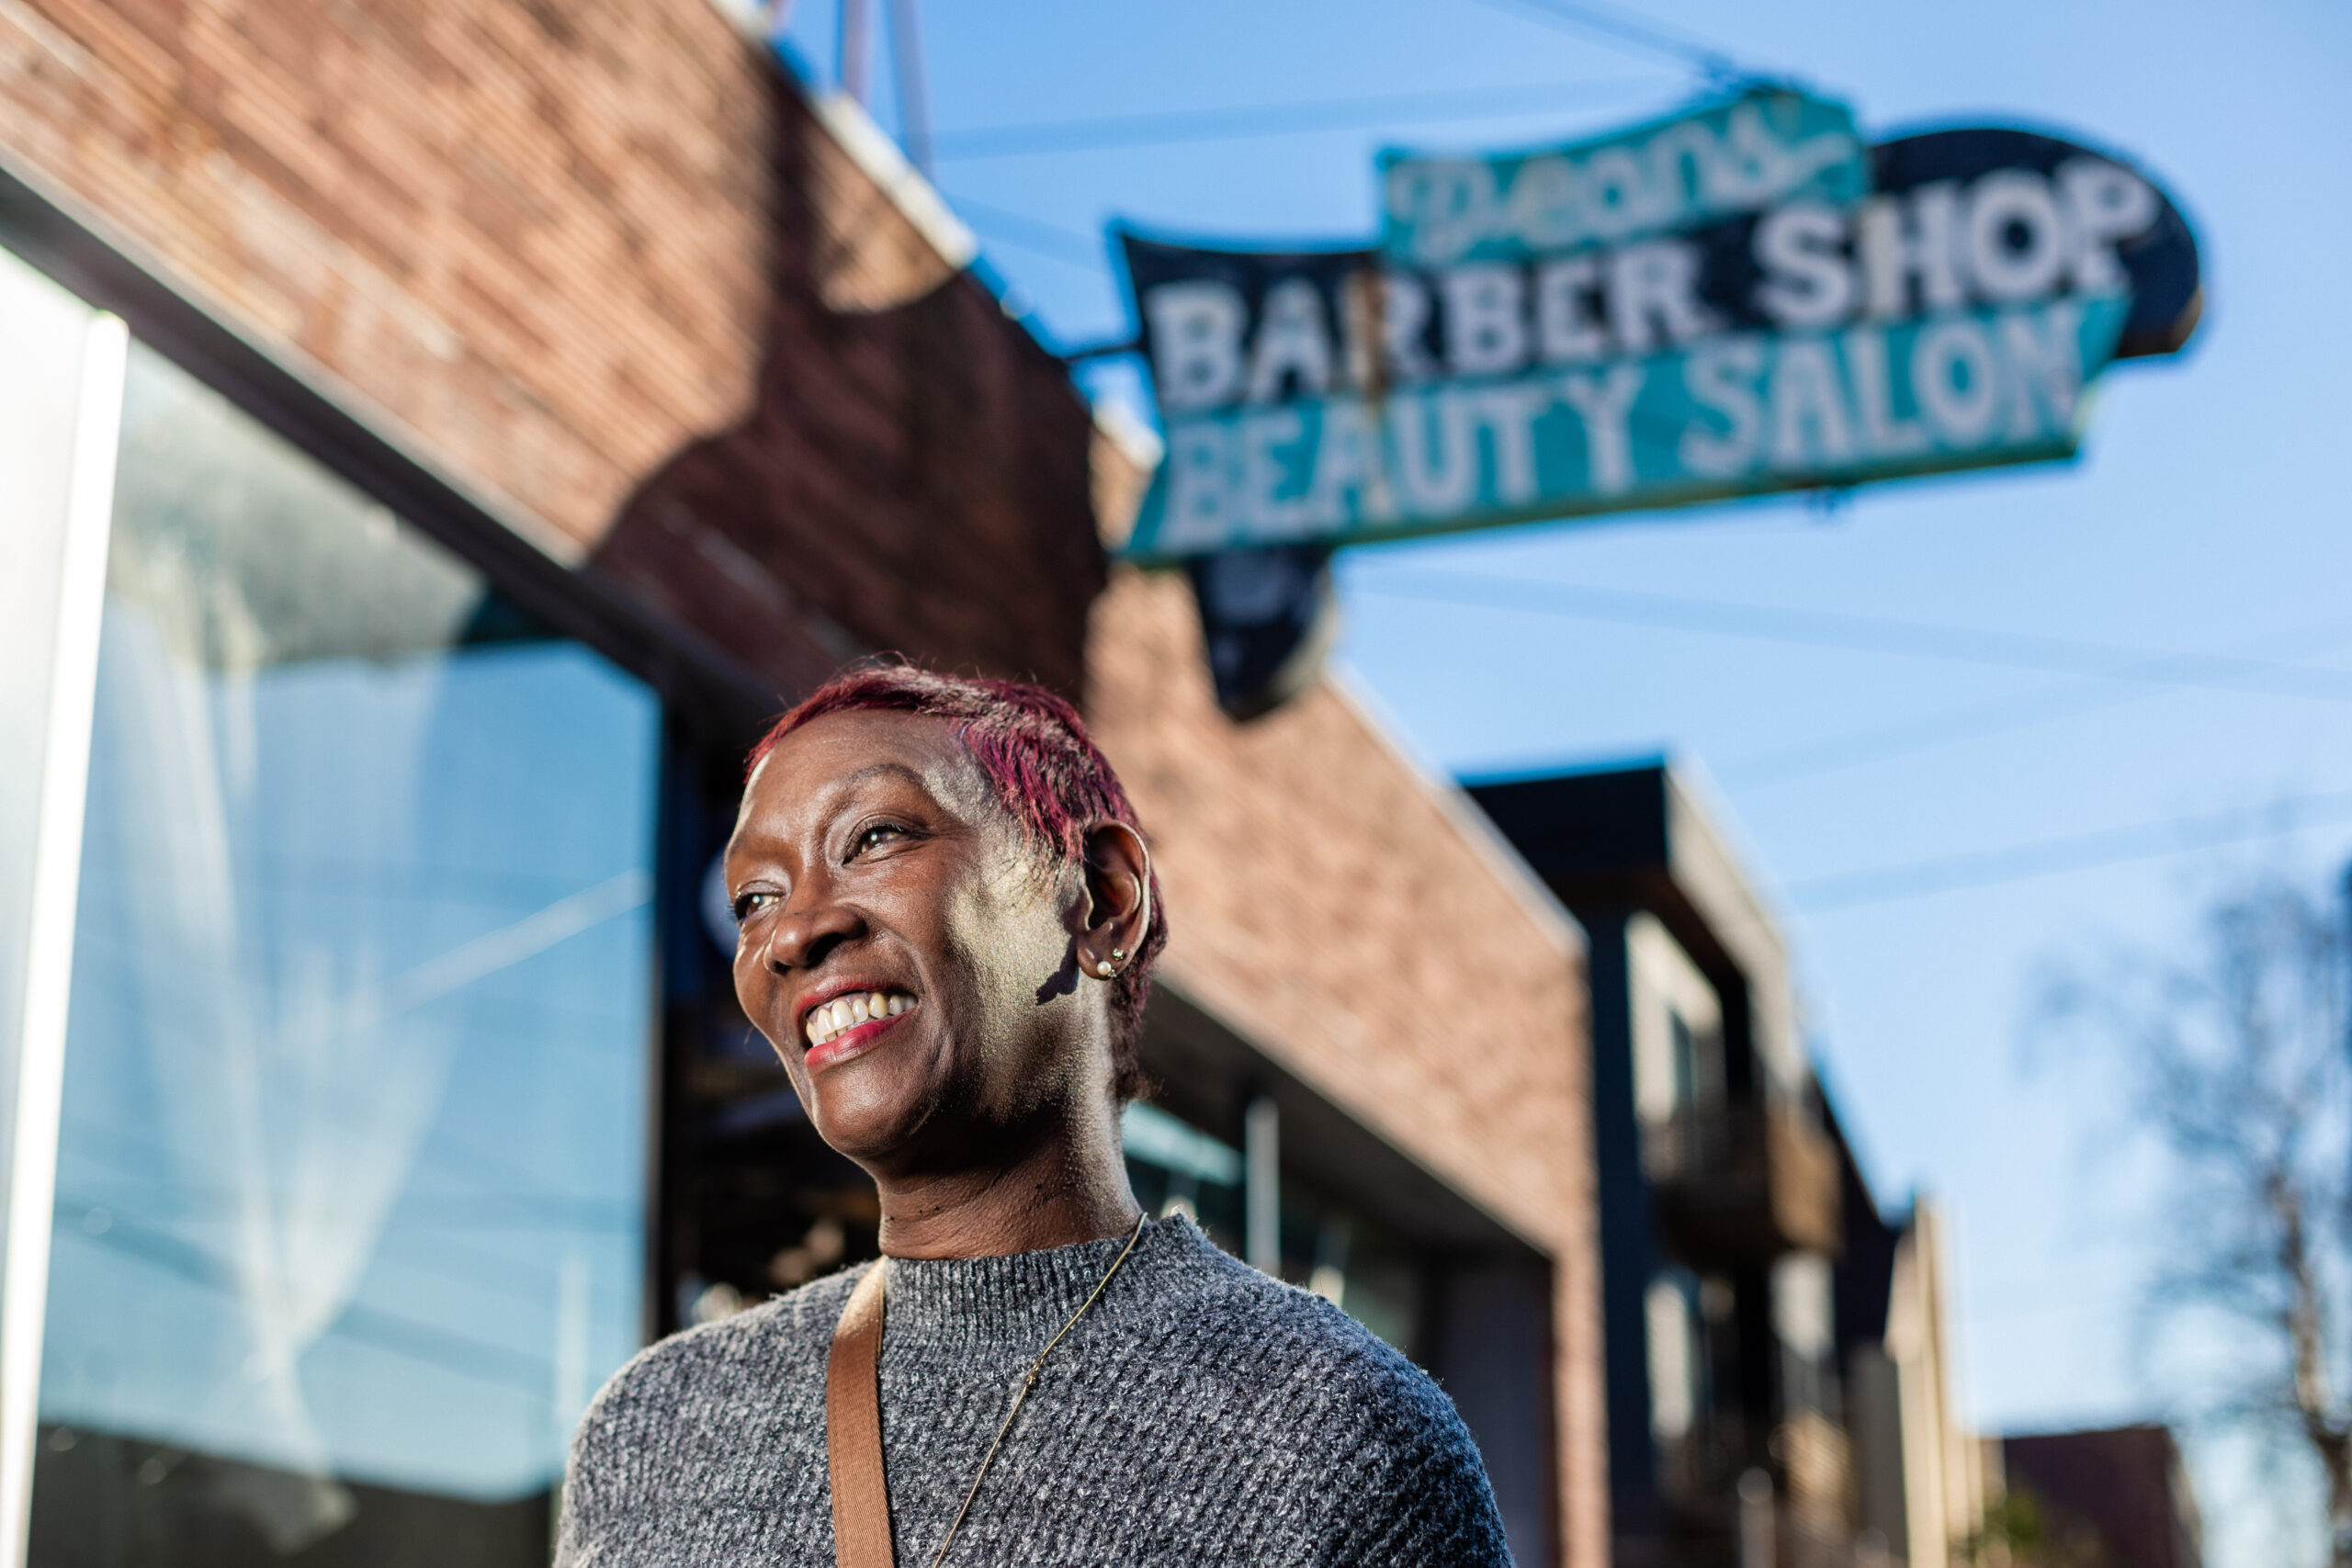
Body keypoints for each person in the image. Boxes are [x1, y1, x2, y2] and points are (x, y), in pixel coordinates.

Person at [556, 665, 1514, 1567]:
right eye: (755, 898)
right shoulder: (656, 1430)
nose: (796, 931)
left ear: (1101, 899)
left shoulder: (1335, 1432)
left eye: (877, 837)